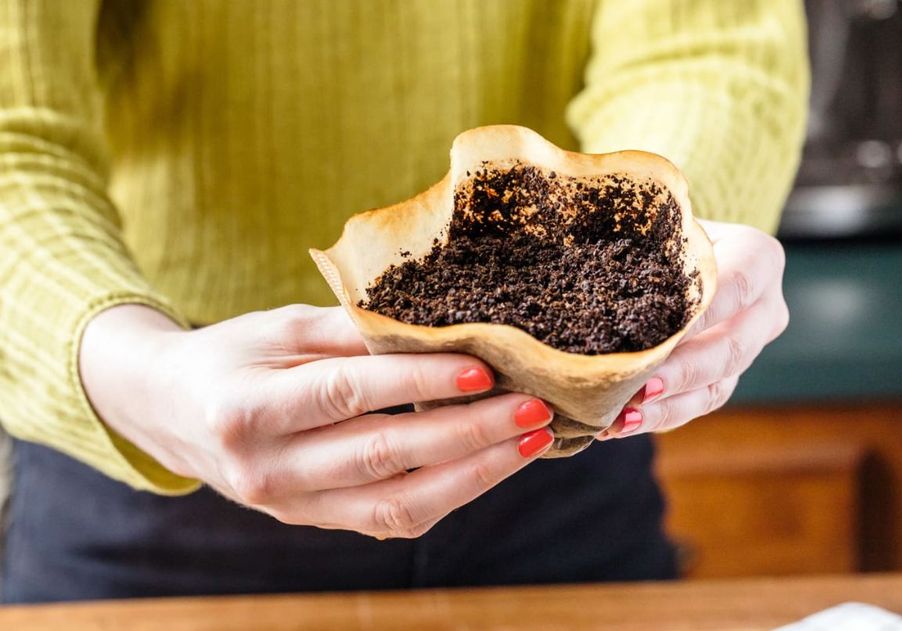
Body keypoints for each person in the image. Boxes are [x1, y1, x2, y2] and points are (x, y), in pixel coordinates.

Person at [0, 0, 806, 603]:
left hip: (554, 453)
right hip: (168, 454)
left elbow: (705, 48)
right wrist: (139, 366)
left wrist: (666, 242)